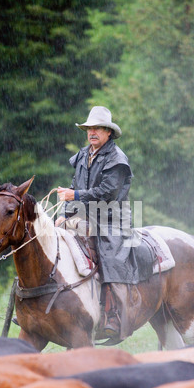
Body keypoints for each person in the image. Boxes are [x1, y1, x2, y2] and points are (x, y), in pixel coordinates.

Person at [55, 106, 135, 339]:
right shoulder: (82, 155)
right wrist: (66, 213)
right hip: (84, 216)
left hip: (112, 217)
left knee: (107, 253)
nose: (93, 132)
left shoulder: (117, 159)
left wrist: (76, 197)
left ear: (109, 132)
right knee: (51, 238)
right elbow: (73, 186)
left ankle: (112, 316)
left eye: (98, 128)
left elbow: (108, 193)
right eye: (90, 128)